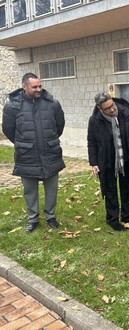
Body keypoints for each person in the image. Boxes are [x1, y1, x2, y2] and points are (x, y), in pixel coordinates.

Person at [2, 73, 65, 233]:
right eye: (34, 87)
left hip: (50, 153)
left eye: (40, 86)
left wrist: (47, 139)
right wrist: (24, 143)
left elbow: (60, 126)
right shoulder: (12, 106)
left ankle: (51, 217)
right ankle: (33, 219)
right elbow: (8, 130)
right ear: (24, 87)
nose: (38, 89)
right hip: (26, 155)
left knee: (52, 188)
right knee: (30, 190)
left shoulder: (52, 103)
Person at [87, 92, 129, 231]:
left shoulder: (126, 113)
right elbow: (91, 141)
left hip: (126, 157)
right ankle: (112, 219)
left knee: (125, 189)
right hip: (107, 159)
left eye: (112, 105)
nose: (112, 109)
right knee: (110, 189)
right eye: (107, 108)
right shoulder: (95, 120)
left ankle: (127, 216)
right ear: (100, 109)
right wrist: (93, 162)